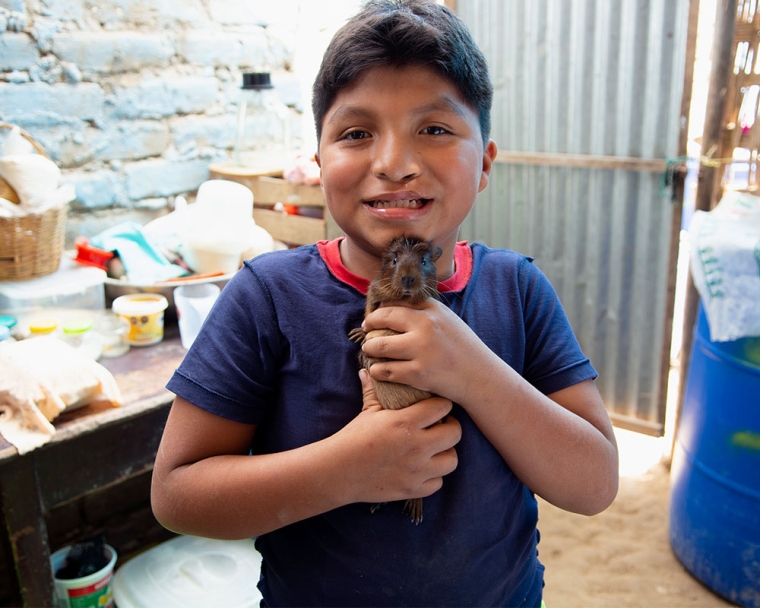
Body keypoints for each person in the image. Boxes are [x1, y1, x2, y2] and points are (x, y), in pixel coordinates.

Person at [151, 1, 619, 605]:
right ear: (319, 164)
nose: (395, 164)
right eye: (356, 133)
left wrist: (474, 371)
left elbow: (595, 484)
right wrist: (344, 469)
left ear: (485, 164)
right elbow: (176, 497)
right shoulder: (265, 298)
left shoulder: (519, 291)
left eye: (435, 129)